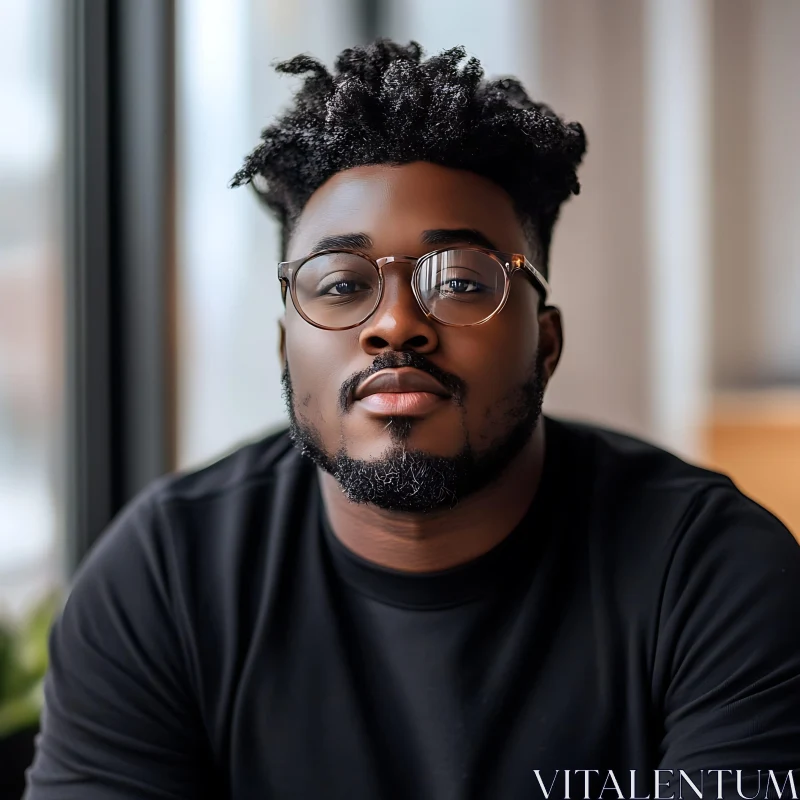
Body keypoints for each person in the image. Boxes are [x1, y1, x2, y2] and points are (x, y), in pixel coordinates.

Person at [26, 41, 800, 800]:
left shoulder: (713, 576)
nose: (395, 324)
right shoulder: (163, 578)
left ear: (548, 343)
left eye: (460, 281)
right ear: (283, 347)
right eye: (339, 284)